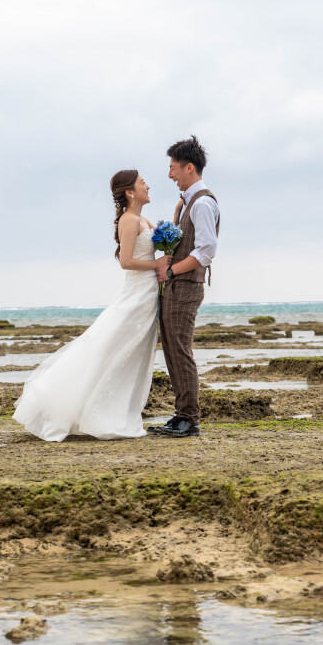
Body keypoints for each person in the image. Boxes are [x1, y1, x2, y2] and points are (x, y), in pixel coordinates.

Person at [13, 170, 170, 442]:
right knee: (111, 348)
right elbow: (126, 261)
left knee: (133, 355)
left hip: (147, 294)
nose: (148, 185)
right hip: (136, 293)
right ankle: (86, 412)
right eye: (142, 182)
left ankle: (119, 412)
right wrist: (157, 264)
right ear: (130, 192)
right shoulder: (129, 220)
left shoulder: (144, 218)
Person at [148, 135, 220, 438]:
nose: (169, 174)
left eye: (173, 167)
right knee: (173, 351)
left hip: (186, 285)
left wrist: (171, 270)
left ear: (189, 167)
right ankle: (181, 415)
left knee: (180, 350)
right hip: (178, 285)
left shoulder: (202, 203)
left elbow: (206, 251)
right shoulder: (190, 202)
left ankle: (189, 418)